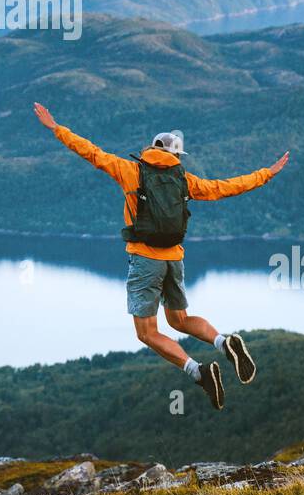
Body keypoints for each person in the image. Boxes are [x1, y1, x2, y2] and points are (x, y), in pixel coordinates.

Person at [32, 102, 289, 408]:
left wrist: (56, 128)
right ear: (176, 156)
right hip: (174, 260)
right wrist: (266, 174)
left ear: (151, 149)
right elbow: (226, 187)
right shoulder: (185, 180)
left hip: (144, 260)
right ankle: (223, 341)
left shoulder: (131, 171)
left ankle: (199, 371)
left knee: (147, 332)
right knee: (179, 319)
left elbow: (91, 152)